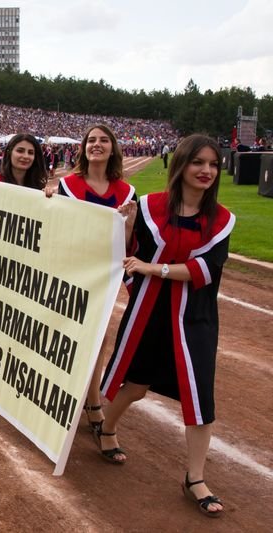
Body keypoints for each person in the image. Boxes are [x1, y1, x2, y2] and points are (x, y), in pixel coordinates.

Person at [99, 135, 233, 518]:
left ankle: (195, 478)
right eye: (198, 163)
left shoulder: (222, 220)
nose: (206, 171)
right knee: (137, 385)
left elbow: (204, 270)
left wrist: (152, 268)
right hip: (151, 312)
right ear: (181, 165)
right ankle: (106, 427)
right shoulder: (148, 207)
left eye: (212, 165)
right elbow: (126, 254)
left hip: (195, 318)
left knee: (199, 396)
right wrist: (125, 227)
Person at [47, 124, 137, 434]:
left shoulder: (126, 192)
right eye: (91, 141)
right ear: (83, 148)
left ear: (113, 148)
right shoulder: (69, 184)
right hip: (73, 270)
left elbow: (126, 242)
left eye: (103, 140)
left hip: (105, 276)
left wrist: (129, 223)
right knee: (69, 333)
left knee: (98, 336)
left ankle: (91, 399)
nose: (96, 145)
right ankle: (69, 393)